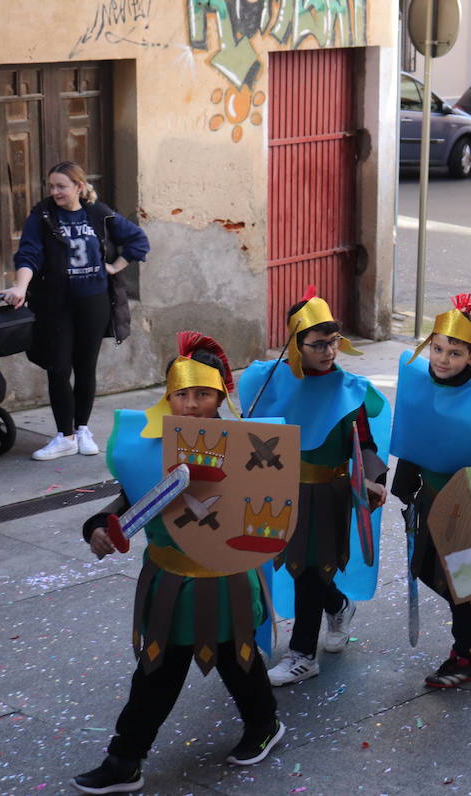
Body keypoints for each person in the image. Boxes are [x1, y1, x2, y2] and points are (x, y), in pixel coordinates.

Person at [73, 333, 282, 794]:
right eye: (181, 394)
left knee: (238, 662)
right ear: (169, 397)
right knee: (157, 671)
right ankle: (125, 758)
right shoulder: (152, 449)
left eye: (202, 394)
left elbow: (271, 507)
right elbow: (129, 504)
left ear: (220, 396)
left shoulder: (247, 449)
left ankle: (264, 724)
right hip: (170, 582)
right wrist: (97, 527)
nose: (190, 405)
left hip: (226, 579)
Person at [237, 290, 391, 687]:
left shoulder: (349, 389)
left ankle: (303, 654)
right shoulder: (268, 381)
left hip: (329, 492)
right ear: (296, 345)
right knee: (300, 565)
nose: (329, 352)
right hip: (282, 490)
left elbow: (366, 444)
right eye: (318, 344)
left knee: (309, 569)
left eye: (334, 342)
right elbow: (252, 433)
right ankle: (339, 605)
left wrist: (374, 479)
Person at [390, 295, 471, 687]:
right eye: (438, 349)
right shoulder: (419, 384)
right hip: (429, 496)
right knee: (427, 569)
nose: (443, 359)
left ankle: (467, 654)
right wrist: (406, 484)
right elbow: (415, 434)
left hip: (469, 505)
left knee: (466, 582)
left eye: (455, 352)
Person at [1, 161, 150, 461]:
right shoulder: (42, 215)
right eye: (51, 186)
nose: (54, 191)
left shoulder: (98, 213)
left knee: (85, 367)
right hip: (55, 303)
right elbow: (29, 253)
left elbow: (138, 240)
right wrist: (20, 287)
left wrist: (114, 266)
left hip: (93, 302)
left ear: (79, 187)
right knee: (58, 368)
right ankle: (64, 436)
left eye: (61, 186)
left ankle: (82, 430)